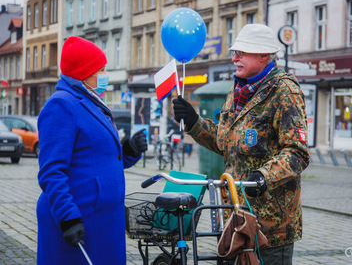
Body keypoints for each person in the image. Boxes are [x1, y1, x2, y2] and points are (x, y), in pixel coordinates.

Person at [173, 24, 309, 264]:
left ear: (264, 55)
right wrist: (194, 122)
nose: (234, 58)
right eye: (235, 52)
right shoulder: (238, 89)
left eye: (241, 53)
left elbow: (297, 153)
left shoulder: (284, 90)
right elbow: (226, 143)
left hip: (270, 226)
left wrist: (263, 176)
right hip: (234, 217)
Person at [37, 36, 147, 264]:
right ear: (84, 72)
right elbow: (51, 172)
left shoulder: (91, 101)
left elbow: (98, 156)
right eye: (102, 69)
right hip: (82, 218)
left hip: (103, 219)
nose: (105, 74)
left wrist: (129, 150)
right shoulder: (62, 104)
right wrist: (68, 218)